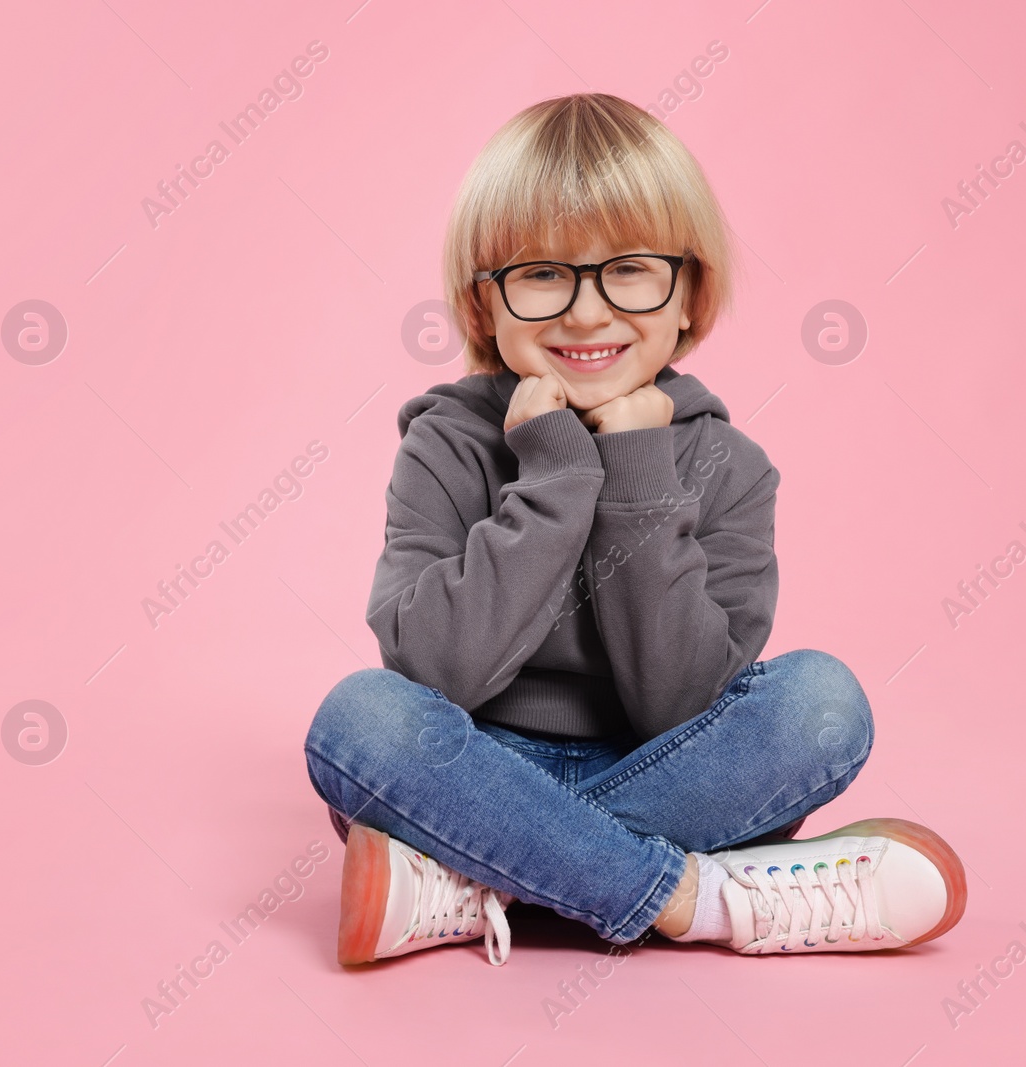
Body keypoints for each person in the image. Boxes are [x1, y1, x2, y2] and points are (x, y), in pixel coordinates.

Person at [303, 92, 965, 967]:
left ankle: (482, 885)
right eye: (542, 273)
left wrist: (635, 472)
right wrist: (558, 476)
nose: (586, 312)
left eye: (629, 269)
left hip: (669, 770)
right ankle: (706, 900)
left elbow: (680, 702)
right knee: (361, 721)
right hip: (476, 772)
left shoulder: (731, 466)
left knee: (821, 704)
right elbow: (434, 671)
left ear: (689, 293)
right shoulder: (445, 443)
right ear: (483, 307)